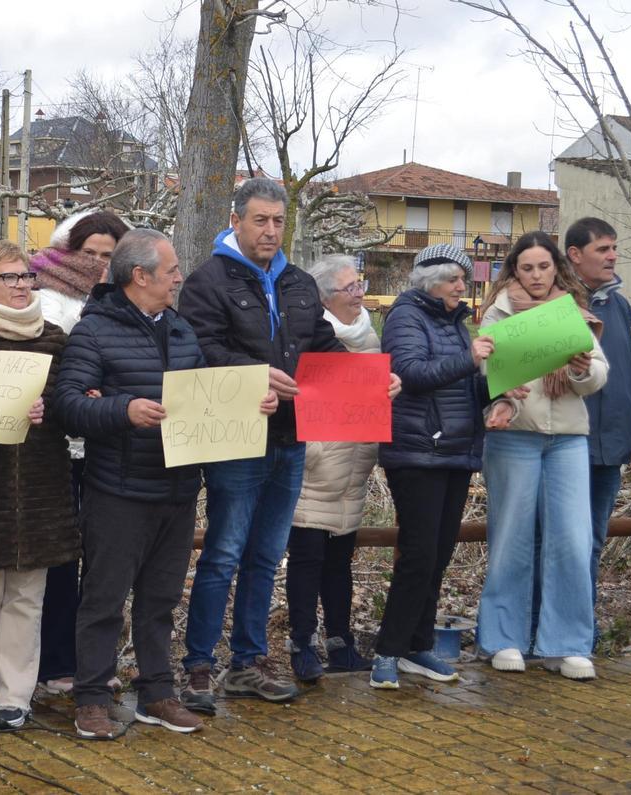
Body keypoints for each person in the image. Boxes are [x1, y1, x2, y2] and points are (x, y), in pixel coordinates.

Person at [53, 229, 279, 739]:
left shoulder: (180, 330)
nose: (180, 277)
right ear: (140, 276)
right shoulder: (93, 332)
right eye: (172, 270)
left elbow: (204, 394)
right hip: (118, 490)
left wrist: (252, 404)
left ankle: (157, 693)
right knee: (103, 600)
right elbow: (69, 405)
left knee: (159, 602)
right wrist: (123, 409)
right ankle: (91, 698)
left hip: (177, 489)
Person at [178, 177, 349, 712]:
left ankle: (248, 662)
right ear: (236, 220)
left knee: (266, 555)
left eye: (278, 221)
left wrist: (365, 376)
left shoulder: (298, 281)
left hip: (290, 435)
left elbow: (320, 344)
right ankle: (200, 666)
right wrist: (257, 375)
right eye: (260, 220)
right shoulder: (206, 282)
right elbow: (200, 350)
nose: (271, 230)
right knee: (224, 553)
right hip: (235, 437)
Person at [0, 242, 79, 730]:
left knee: (27, 595)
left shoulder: (53, 338)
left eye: (27, 277)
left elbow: (70, 405)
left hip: (40, 484)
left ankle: (16, 693)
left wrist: (52, 413)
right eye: (11, 278)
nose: (24, 285)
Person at [476, 231, 608, 681]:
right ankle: (502, 638)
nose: (535, 275)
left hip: (568, 437)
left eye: (543, 267)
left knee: (572, 539)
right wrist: (499, 388)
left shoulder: (575, 311)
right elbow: (486, 369)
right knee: (510, 538)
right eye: (526, 268)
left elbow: (598, 373)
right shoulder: (498, 311)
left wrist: (581, 370)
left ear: (557, 268)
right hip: (514, 435)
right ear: (515, 270)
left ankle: (566, 644)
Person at [369, 244, 491, 689]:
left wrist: (496, 390)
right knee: (418, 555)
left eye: (464, 278)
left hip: (456, 451)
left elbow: (463, 384)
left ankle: (417, 647)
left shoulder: (456, 323)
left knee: (438, 555)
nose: (463, 286)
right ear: (430, 280)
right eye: (455, 278)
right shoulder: (405, 316)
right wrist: (470, 360)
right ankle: (387, 650)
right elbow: (411, 373)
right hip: (417, 450)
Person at [30, 210, 129, 695]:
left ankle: (92, 662)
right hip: (55, 446)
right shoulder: (42, 298)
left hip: (107, 443)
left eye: (108, 256)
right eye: (88, 253)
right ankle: (55, 664)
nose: (97, 264)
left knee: (103, 560)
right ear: (68, 249)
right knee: (61, 560)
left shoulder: (122, 304)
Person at [285, 255, 384, 681]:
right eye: (349, 288)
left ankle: (340, 642)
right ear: (324, 298)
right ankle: (302, 645)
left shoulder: (369, 336)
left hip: (355, 464)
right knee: (307, 560)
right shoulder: (310, 335)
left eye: (359, 283)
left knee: (340, 560)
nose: (359, 293)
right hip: (316, 466)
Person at [564, 217, 631, 637]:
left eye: (614, 248)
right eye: (603, 249)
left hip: (611, 446)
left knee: (593, 542)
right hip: (564, 444)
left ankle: (582, 630)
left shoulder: (622, 308)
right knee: (558, 544)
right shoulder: (553, 303)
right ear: (575, 255)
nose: (613, 256)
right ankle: (546, 628)